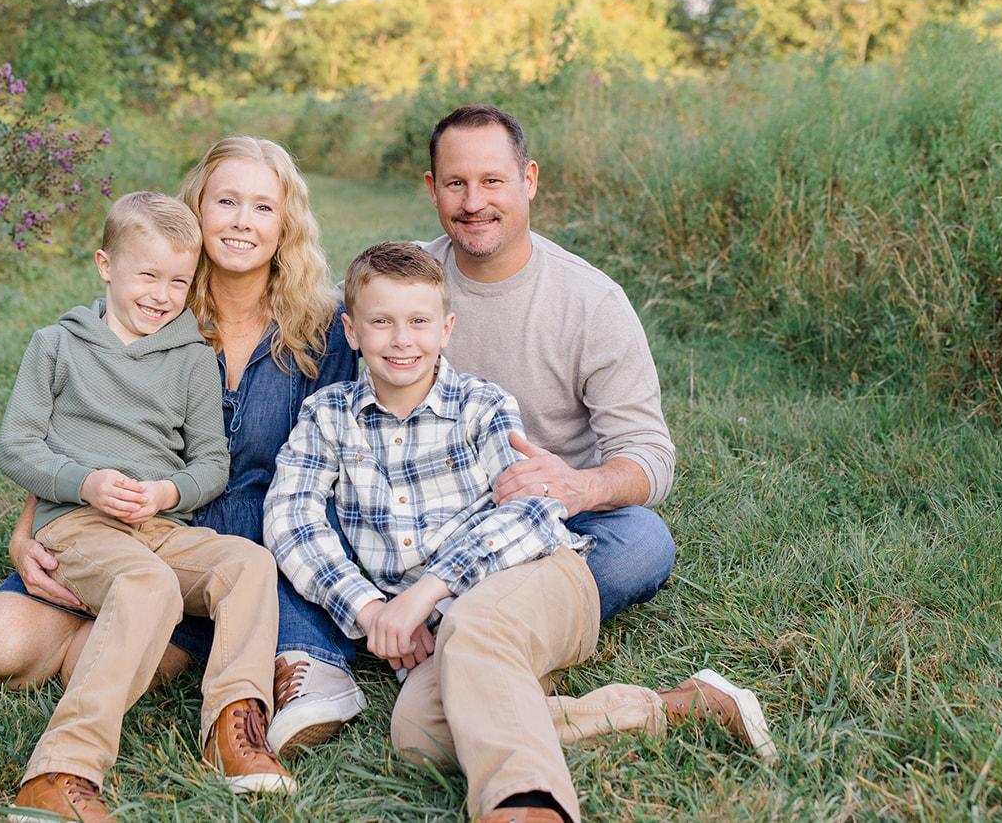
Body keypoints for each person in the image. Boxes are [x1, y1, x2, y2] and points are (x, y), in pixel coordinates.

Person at [264, 242, 777, 823]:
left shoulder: (482, 405)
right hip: (434, 626)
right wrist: (370, 610)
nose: (401, 339)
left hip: (534, 577)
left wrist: (423, 595)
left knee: (474, 621)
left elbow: (529, 511)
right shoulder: (327, 415)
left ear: (446, 327)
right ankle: (682, 707)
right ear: (352, 332)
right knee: (420, 734)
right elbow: (291, 515)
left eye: (418, 321)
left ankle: (525, 805)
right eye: (381, 322)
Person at [0, 138, 366, 765]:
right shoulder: (155, 303)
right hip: (111, 524)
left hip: (230, 549)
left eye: (263, 207)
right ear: (195, 209)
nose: (241, 221)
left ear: (287, 224)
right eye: (225, 201)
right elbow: (79, 422)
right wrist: (28, 527)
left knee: (115, 652)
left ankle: (221, 685)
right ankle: (116, 632)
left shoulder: (323, 328)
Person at [0, 190, 293, 822]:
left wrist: (166, 493)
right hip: (76, 524)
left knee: (246, 564)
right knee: (147, 583)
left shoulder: (190, 360)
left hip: (157, 523)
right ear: (106, 266)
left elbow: (213, 463)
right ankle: (60, 771)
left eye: (179, 281)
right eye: (147, 275)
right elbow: (17, 447)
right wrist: (84, 482)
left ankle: (230, 731)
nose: (161, 293)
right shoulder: (56, 345)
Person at [420, 105, 678, 625]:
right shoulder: (406, 279)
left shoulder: (592, 302)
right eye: (456, 183)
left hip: (545, 522)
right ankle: (493, 615)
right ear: (433, 188)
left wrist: (582, 487)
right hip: (425, 508)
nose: (474, 203)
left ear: (529, 179)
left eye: (492, 180)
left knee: (642, 543)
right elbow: (306, 317)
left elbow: (649, 455)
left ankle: (448, 613)